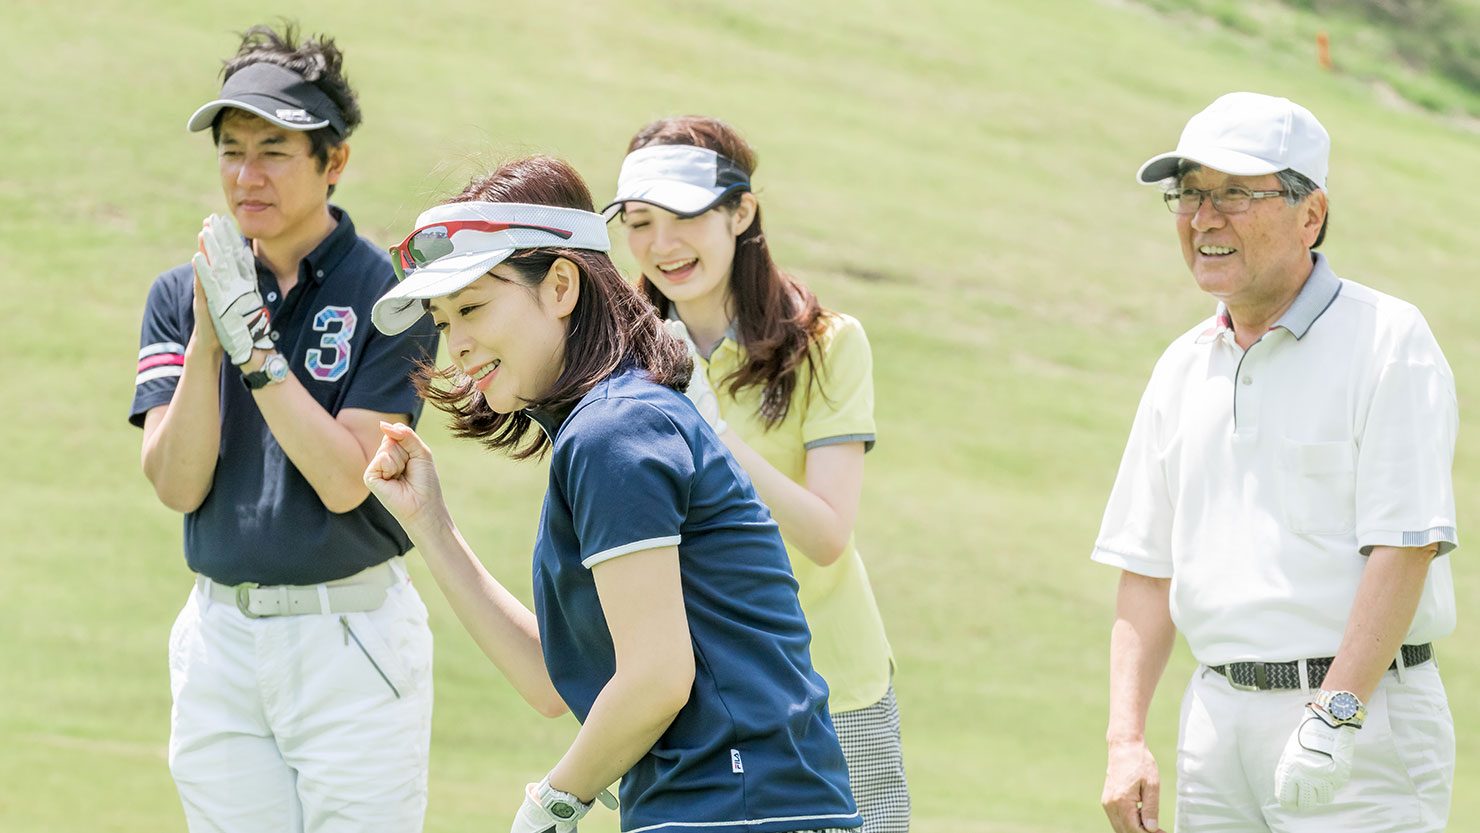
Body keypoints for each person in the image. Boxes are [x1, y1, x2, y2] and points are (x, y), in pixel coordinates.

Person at [363, 155, 861, 833]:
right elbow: (554, 680)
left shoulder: (613, 430)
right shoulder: (612, 422)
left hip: (738, 809)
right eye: (444, 321)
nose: (458, 346)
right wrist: (431, 525)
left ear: (562, 284)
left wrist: (554, 802)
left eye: (474, 306)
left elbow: (656, 679)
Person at [1094, 91, 1458, 833]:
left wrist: (1334, 716)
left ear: (1310, 213)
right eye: (1190, 194)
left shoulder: (1388, 339)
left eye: (1234, 193)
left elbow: (1407, 541)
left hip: (1359, 725)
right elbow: (1147, 566)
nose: (1204, 218)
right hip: (1216, 725)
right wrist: (1125, 738)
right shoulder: (1180, 365)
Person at [130, 24, 437, 832]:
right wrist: (210, 328)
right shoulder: (178, 292)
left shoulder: (393, 296)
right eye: (230, 150)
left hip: (351, 637)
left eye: (273, 150)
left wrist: (256, 351)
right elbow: (176, 482)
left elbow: (347, 479)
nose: (245, 175)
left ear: (333, 163)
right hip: (220, 636)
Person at [602, 116, 908, 833]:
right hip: (696, 694)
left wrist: (712, 432)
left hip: (833, 685)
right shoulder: (620, 356)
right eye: (640, 222)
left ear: (741, 212)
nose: (662, 245)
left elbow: (827, 532)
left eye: (685, 216)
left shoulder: (826, 344)